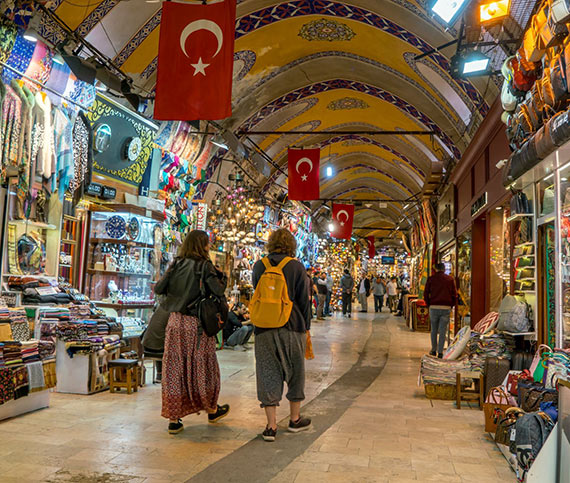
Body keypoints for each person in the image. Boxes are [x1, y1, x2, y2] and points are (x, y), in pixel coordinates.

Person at [154, 230, 230, 434]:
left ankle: (174, 419)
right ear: (202, 245)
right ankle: (211, 409)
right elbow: (218, 290)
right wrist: (221, 275)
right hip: (196, 326)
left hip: (175, 323)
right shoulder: (204, 266)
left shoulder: (176, 264)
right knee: (203, 367)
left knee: (175, 368)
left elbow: (159, 289)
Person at [252, 228, 312, 442]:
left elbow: (256, 292)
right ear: (292, 245)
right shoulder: (296, 267)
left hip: (263, 327)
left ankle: (271, 426)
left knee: (267, 371)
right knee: (296, 371)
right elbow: (304, 300)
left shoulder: (260, 265)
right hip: (291, 325)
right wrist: (306, 326)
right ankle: (295, 419)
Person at [424, 262, 458, 358]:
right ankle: (440, 352)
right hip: (446, 308)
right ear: (444, 269)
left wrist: (428, 304)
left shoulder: (431, 279)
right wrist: (451, 305)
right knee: (443, 331)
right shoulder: (450, 279)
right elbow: (454, 294)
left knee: (434, 330)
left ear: (436, 269)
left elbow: (426, 293)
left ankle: (433, 350)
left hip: (434, 307)